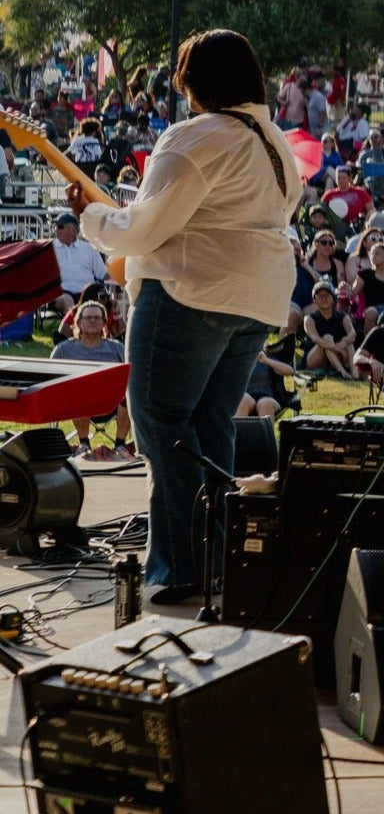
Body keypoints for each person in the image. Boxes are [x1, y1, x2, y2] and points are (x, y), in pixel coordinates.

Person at [70, 29, 303, 603]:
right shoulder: (274, 142)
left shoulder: (195, 137)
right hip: (256, 298)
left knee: (162, 424)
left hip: (191, 289)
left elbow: (147, 226)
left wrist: (92, 219)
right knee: (208, 427)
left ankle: (179, 567)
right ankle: (219, 561)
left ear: (197, 83)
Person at [50, 300, 135, 461]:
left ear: (104, 322)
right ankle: (84, 443)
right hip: (78, 400)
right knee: (81, 390)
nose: (92, 321)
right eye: (88, 318)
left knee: (129, 394)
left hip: (112, 401)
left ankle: (120, 444)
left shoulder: (116, 347)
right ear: (79, 322)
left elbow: (129, 373)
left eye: (97, 318)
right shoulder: (64, 349)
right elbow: (50, 376)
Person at [50, 213, 110, 315]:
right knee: (67, 300)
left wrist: (119, 283)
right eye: (55, 227)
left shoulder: (89, 248)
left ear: (73, 230)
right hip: (61, 292)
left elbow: (103, 274)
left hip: (88, 292)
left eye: (60, 227)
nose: (56, 230)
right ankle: (76, 329)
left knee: (106, 300)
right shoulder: (49, 248)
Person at [301, 281, 358, 376]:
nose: (324, 299)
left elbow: (352, 333)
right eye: (320, 296)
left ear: (333, 299)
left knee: (348, 342)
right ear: (314, 300)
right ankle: (342, 372)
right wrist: (336, 348)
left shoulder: (342, 317)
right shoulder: (309, 319)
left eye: (327, 295)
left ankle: (354, 371)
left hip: (336, 357)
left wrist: (345, 341)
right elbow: (315, 338)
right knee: (327, 339)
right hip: (315, 358)